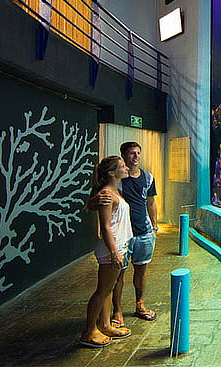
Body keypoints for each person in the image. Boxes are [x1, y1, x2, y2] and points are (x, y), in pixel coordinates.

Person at [96, 142, 158, 327]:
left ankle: (140, 304)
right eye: (132, 153)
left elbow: (151, 202)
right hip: (123, 237)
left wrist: (154, 226)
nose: (136, 156)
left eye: (139, 153)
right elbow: (99, 201)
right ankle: (118, 311)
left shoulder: (148, 177)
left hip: (144, 233)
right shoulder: (116, 180)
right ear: (124, 156)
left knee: (141, 270)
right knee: (117, 276)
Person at [80, 156, 133, 348]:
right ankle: (89, 331)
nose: (126, 168)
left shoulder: (114, 192)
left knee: (107, 289)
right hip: (113, 248)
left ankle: (104, 325)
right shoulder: (106, 194)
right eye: (122, 166)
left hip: (118, 246)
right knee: (102, 291)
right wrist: (114, 252)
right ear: (111, 172)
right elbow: (105, 227)